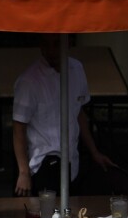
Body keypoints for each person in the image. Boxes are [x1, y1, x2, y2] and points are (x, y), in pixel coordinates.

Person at [12, 33, 115, 198]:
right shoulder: (29, 81)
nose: (51, 51)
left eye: (56, 44)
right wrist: (23, 172)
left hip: (71, 160)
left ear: (68, 44)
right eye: (46, 44)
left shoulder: (77, 69)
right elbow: (18, 127)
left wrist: (94, 151)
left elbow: (78, 112)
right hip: (43, 162)